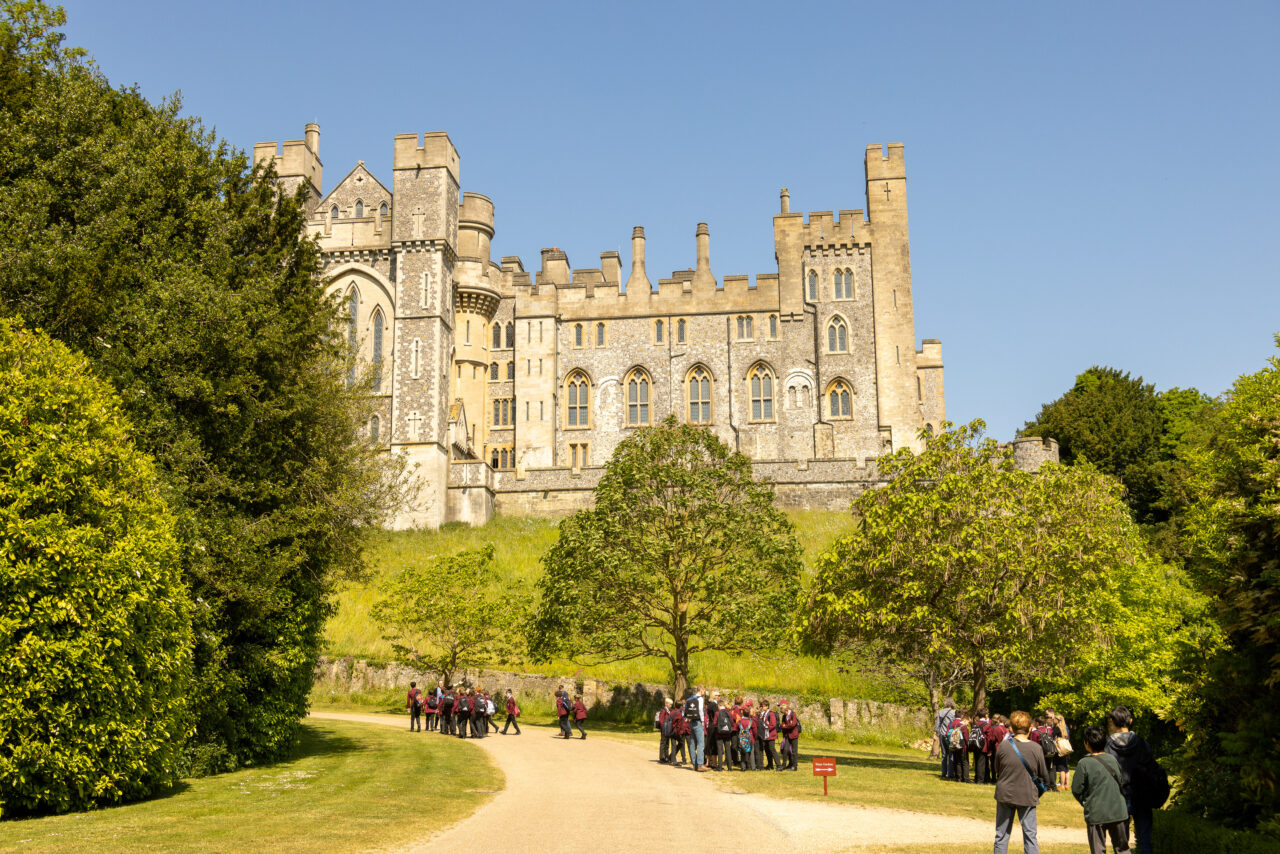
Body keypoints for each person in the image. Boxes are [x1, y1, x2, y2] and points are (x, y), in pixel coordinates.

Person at [1105, 705, 1164, 854]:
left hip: (1118, 796)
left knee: (1121, 843)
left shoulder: (1108, 746)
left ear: (1112, 722)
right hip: (1142, 794)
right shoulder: (1142, 743)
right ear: (1130, 721)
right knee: (1144, 841)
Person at [992, 709, 1051, 854]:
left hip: (1005, 793)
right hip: (1027, 793)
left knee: (1001, 835)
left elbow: (997, 769)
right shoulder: (1036, 748)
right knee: (1030, 835)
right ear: (1030, 728)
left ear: (1011, 728)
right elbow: (1044, 774)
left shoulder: (1004, 746)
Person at [1072, 726, 1131, 854]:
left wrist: (1086, 801)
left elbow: (1076, 789)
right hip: (1118, 811)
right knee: (1123, 849)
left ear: (1086, 744)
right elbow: (1121, 780)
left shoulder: (1084, 763)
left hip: (1096, 812)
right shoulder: (1113, 759)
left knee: (1098, 850)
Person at [1047, 708, 1071, 791]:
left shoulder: (1057, 728)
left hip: (1060, 749)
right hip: (1065, 749)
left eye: (1054, 719)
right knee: (1066, 768)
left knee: (1061, 768)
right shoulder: (1064, 727)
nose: (1053, 720)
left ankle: (1062, 785)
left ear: (1057, 720)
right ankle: (1067, 785)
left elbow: (1052, 736)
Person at [683, 687, 706, 771]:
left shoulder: (690, 698)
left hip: (691, 722)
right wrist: (702, 720)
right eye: (704, 690)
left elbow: (686, 710)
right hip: (698, 722)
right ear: (701, 690)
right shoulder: (700, 699)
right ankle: (700, 764)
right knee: (701, 743)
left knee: (692, 744)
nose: (704, 692)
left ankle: (694, 764)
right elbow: (700, 710)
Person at [935, 698, 957, 780]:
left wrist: (936, 733)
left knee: (944, 754)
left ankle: (944, 772)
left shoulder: (940, 712)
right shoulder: (953, 713)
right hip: (950, 734)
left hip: (941, 734)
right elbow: (955, 724)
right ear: (952, 704)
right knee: (951, 754)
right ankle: (951, 773)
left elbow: (937, 724)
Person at [947, 710, 971, 782]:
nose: (968, 724)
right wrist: (968, 745)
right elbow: (966, 738)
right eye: (968, 722)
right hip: (963, 747)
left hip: (956, 745)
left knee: (957, 762)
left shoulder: (957, 725)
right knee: (965, 762)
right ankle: (966, 778)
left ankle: (958, 778)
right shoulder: (964, 727)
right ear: (965, 720)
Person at [757, 700, 779, 771]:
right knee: (767, 750)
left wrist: (766, 727)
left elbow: (773, 724)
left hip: (771, 735)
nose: (762, 707)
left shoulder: (771, 713)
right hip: (766, 735)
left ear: (767, 706)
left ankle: (779, 765)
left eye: (763, 706)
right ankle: (770, 765)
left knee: (772, 749)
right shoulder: (763, 713)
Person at [713, 697, 734, 771]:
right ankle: (730, 767)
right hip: (727, 734)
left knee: (720, 750)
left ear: (718, 705)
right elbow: (732, 722)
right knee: (728, 750)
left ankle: (720, 767)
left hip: (719, 734)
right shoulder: (728, 713)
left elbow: (714, 723)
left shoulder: (717, 713)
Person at [778, 699, 800, 771]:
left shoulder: (793, 714)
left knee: (794, 751)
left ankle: (794, 766)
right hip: (787, 735)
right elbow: (782, 725)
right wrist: (785, 726)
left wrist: (785, 726)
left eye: (784, 713)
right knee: (785, 749)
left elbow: (793, 724)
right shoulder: (784, 716)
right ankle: (783, 765)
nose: (784, 714)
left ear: (786, 710)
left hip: (794, 735)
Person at [972, 708, 992, 784]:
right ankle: (980, 780)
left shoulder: (975, 724)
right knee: (981, 763)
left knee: (977, 762)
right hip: (983, 746)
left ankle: (976, 778)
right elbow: (990, 738)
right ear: (986, 715)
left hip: (975, 745)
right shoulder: (987, 725)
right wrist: (990, 749)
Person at [705, 692, 721, 770]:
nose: (718, 697)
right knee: (712, 743)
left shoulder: (712, 704)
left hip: (712, 726)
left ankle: (711, 762)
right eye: (717, 695)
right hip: (713, 726)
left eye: (719, 695)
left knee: (711, 743)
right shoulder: (713, 705)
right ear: (713, 696)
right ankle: (712, 762)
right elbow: (716, 715)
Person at [657, 698, 676, 763]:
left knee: (667, 743)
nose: (671, 706)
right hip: (664, 729)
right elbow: (661, 720)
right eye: (670, 704)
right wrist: (663, 727)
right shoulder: (663, 710)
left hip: (668, 729)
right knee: (663, 743)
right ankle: (662, 757)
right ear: (666, 704)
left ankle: (666, 756)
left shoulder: (668, 710)